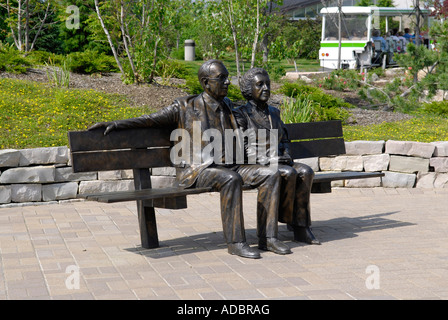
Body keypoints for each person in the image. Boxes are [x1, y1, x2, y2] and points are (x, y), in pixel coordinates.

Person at [88, 59, 291, 259]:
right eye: (221, 78)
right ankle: (236, 242)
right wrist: (116, 124)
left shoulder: (229, 105)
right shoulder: (185, 107)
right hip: (199, 170)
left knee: (270, 174)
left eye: (227, 78)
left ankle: (269, 238)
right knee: (230, 179)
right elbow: (150, 119)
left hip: (232, 165)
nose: (228, 82)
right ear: (205, 83)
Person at [234, 68, 320, 245]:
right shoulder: (240, 114)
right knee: (288, 173)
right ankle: (281, 223)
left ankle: (301, 227)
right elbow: (240, 145)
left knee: (305, 171)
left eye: (268, 84)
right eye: (260, 84)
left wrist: (287, 154)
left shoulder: (274, 113)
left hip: (278, 160)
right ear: (249, 89)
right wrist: (266, 160)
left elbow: (284, 138)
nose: (266, 88)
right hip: (255, 164)